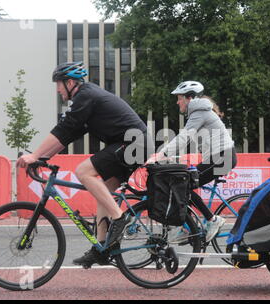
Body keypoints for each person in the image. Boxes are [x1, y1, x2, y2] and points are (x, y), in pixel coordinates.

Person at [17, 61, 151, 268]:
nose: (58, 90)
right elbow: (67, 135)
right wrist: (43, 158)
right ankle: (101, 247)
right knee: (104, 192)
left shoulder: (85, 95)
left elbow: (64, 127)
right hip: (133, 144)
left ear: (70, 83)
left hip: (133, 143)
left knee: (83, 171)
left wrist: (34, 155)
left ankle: (119, 217)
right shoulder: (87, 98)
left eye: (59, 85)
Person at [147, 81, 237, 242]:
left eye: (179, 98)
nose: (177, 102)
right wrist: (169, 156)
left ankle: (211, 220)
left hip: (223, 157)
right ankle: (185, 227)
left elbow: (183, 138)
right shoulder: (200, 112)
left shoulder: (199, 112)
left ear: (189, 98)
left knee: (184, 184)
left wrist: (159, 156)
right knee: (183, 185)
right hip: (220, 156)